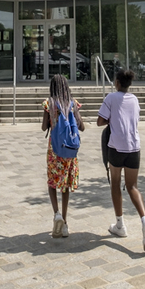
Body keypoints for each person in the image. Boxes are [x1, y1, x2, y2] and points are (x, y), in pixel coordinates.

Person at [97, 69, 145, 252]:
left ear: (116, 82)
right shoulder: (135, 99)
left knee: (115, 183)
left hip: (116, 146)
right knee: (132, 186)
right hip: (134, 147)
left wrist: (112, 120)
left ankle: (120, 224)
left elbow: (100, 121)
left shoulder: (111, 98)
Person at [41, 75, 84, 238]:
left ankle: (56, 214)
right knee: (65, 185)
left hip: (55, 148)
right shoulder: (73, 103)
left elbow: (43, 127)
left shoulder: (49, 104)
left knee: (52, 182)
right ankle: (65, 223)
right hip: (70, 150)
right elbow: (81, 126)